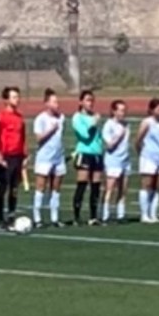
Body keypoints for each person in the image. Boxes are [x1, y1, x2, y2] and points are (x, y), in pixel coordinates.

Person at [31, 89, 66, 228]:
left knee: (56, 188)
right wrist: (50, 130)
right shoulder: (41, 119)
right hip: (44, 158)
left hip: (58, 157)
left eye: (57, 101)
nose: (57, 104)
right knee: (41, 187)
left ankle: (54, 218)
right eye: (54, 101)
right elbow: (38, 138)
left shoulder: (61, 117)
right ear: (46, 103)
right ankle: (37, 218)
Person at [71, 90, 104, 226]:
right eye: (87, 100)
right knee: (82, 184)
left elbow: (98, 137)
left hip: (96, 154)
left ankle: (93, 216)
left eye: (92, 100)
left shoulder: (94, 116)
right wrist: (93, 123)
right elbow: (84, 135)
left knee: (95, 186)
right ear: (81, 102)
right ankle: (76, 217)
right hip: (84, 153)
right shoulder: (77, 117)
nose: (90, 103)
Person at [0, 87, 26, 229]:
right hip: (5, 156)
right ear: (6, 100)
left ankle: (11, 217)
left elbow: (23, 137)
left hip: (17, 156)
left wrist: (24, 155)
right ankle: (1, 218)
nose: (17, 99)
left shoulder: (20, 118)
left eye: (17, 97)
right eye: (13, 97)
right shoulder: (0, 117)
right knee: (3, 187)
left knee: (14, 188)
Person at [133, 98, 159, 224]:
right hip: (148, 157)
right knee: (146, 185)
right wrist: (141, 154)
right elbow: (138, 140)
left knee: (157, 187)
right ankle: (144, 214)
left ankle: (153, 213)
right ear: (152, 110)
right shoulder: (147, 122)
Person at [101, 100, 130, 224]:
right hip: (113, 160)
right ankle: (105, 215)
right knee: (110, 189)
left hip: (125, 160)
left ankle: (120, 214)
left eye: (124, 110)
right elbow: (109, 146)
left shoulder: (126, 124)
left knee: (123, 189)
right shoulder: (109, 125)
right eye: (120, 110)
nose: (123, 113)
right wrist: (118, 136)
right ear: (114, 111)